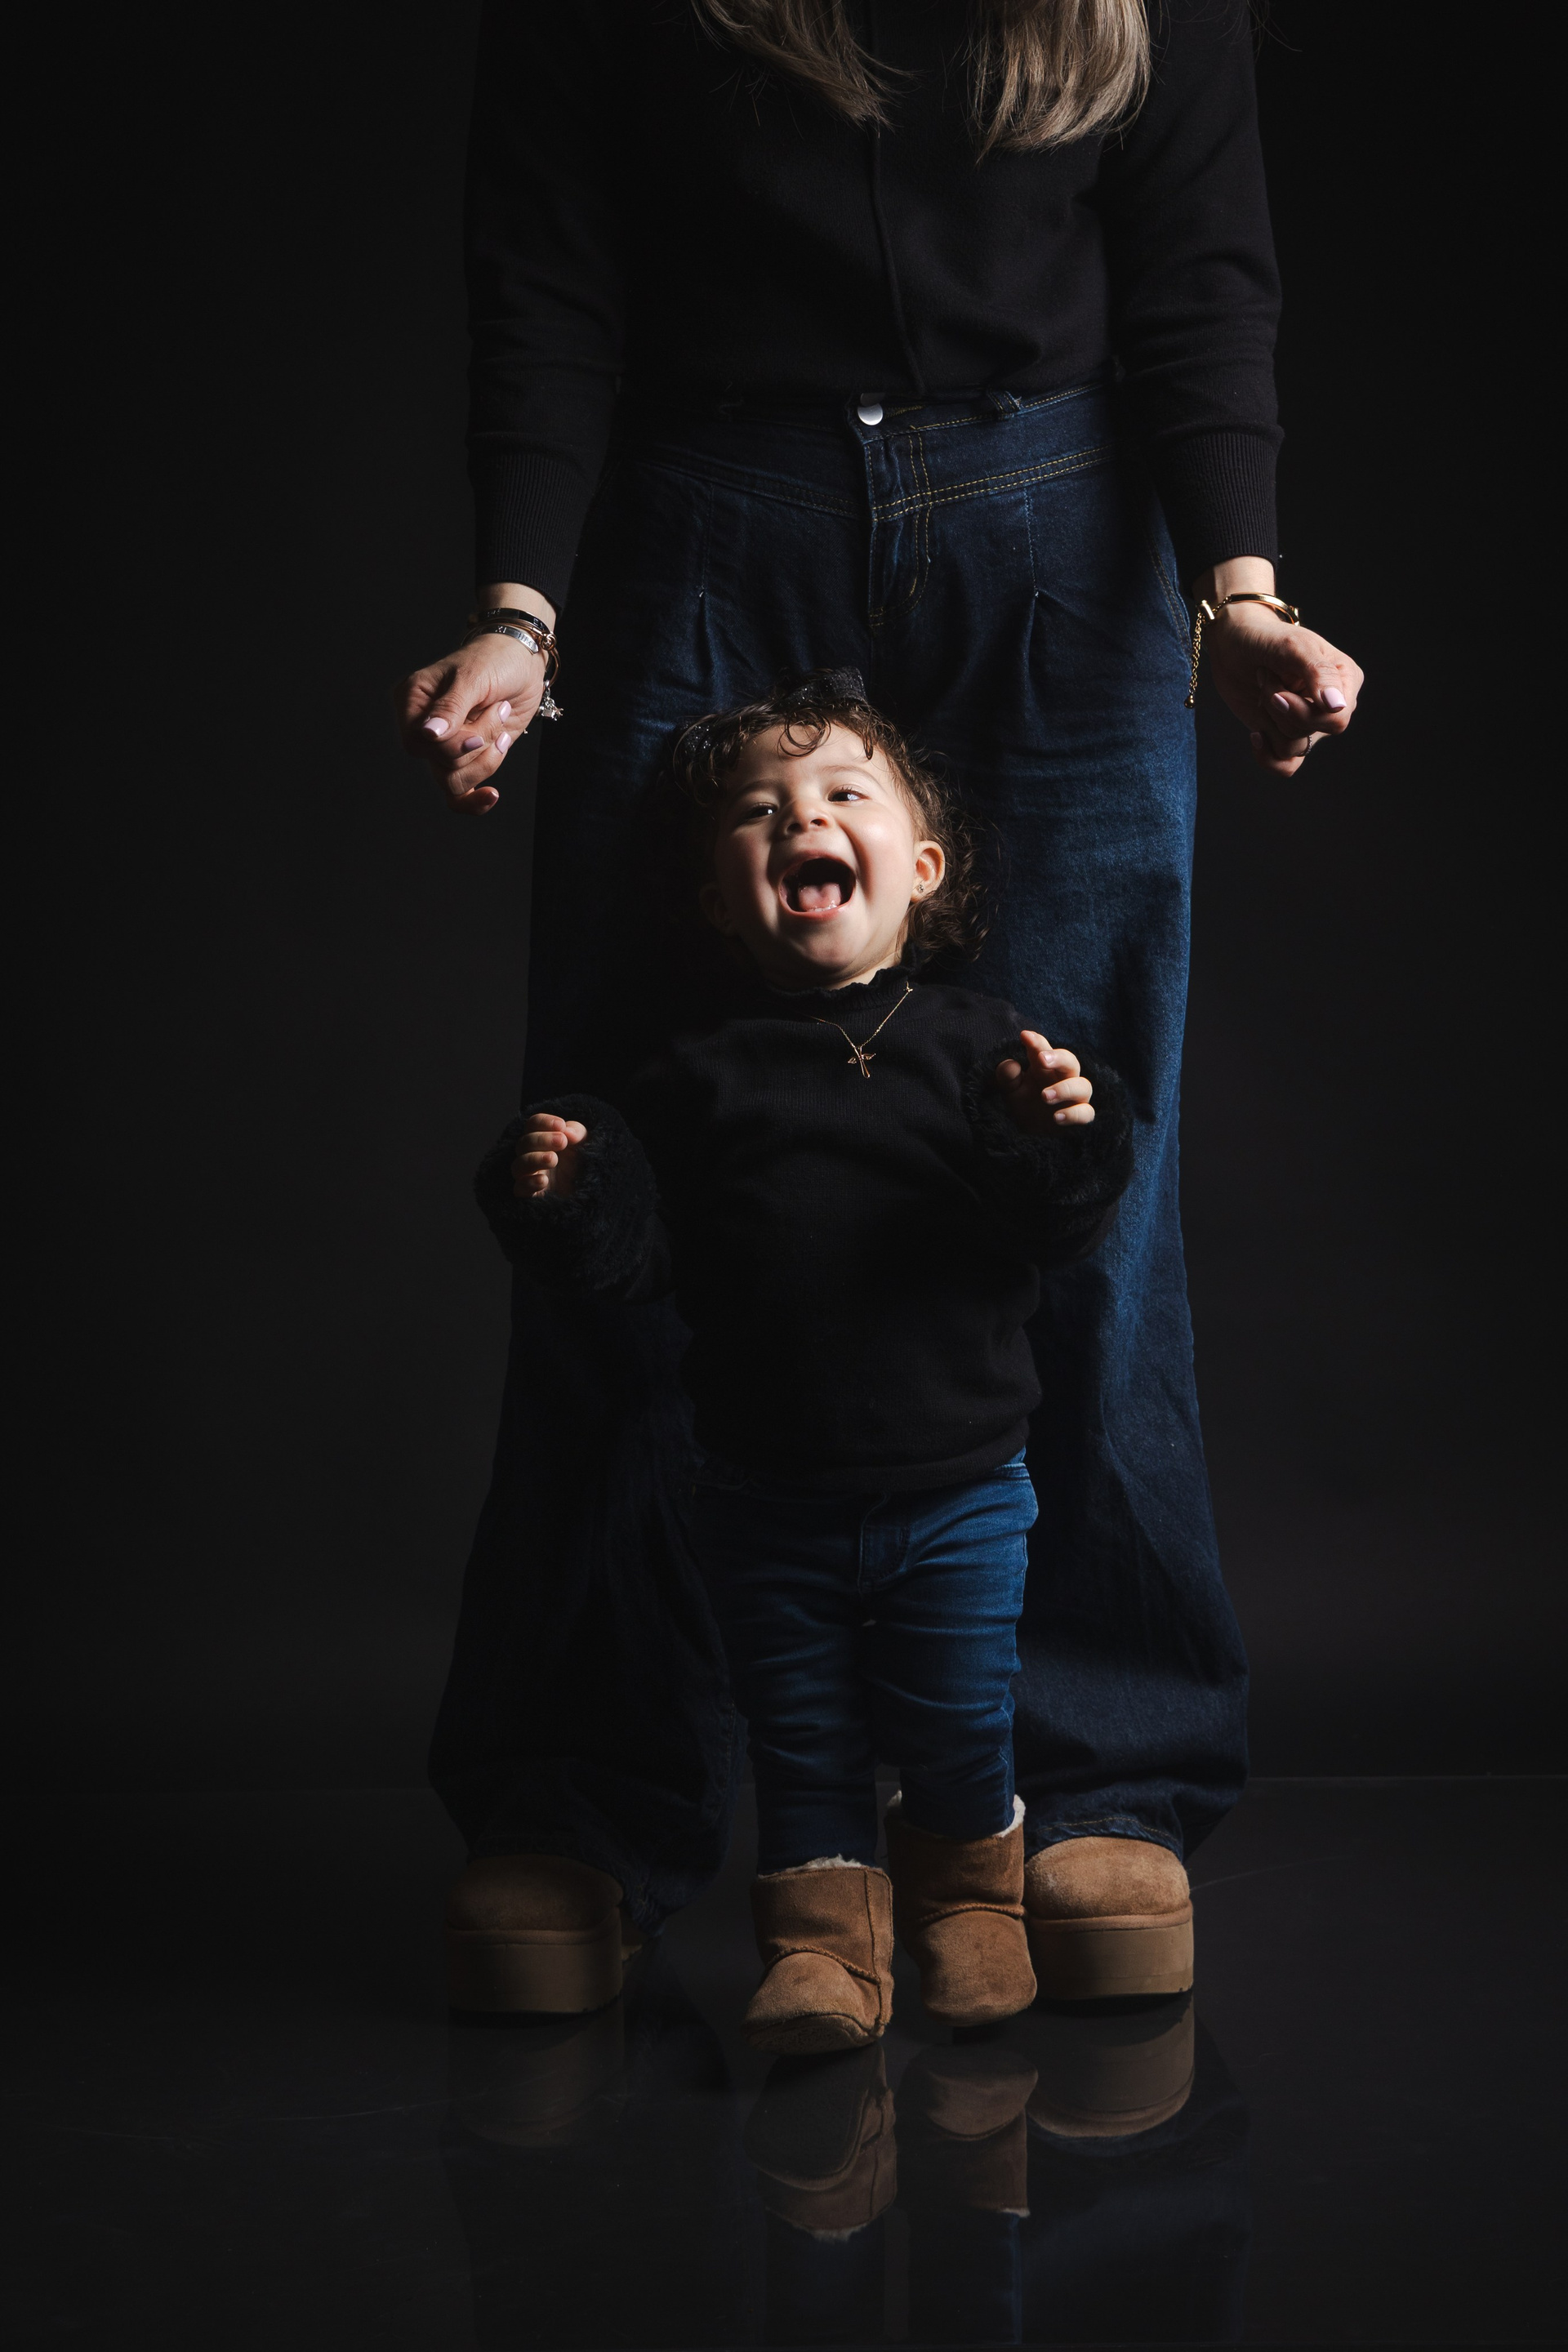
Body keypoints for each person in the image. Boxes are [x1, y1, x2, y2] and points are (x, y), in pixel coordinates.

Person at [399, 0, 1365, 2011]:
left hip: (1068, 518)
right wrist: (519, 607)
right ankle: (586, 1794)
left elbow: (1200, 272)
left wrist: (1242, 591)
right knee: (617, 1163)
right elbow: (548, 271)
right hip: (703, 508)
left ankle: (1095, 1772)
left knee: (1078, 1144)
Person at [467, 674, 1134, 2048]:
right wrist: (569, 1198)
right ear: (723, 900)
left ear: (921, 870)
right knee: (801, 1734)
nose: (801, 821)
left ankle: (970, 1908)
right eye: (759, 811)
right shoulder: (692, 1078)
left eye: (841, 796)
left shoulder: (983, 1047)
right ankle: (825, 1948)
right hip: (761, 1499)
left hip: (960, 1488)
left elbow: (1052, 1226)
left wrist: (1062, 1133)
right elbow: (637, 1261)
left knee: (957, 1721)